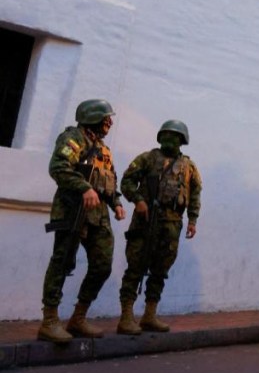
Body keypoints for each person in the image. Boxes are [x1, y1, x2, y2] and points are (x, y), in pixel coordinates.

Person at [38, 99, 126, 343]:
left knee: (102, 265)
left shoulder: (104, 149)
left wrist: (117, 202)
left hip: (98, 217)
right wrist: (83, 187)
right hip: (72, 212)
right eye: (106, 117)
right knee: (62, 262)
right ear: (93, 116)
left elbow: (110, 182)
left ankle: (78, 317)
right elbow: (58, 166)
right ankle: (50, 321)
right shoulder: (73, 138)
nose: (109, 122)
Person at [116, 120, 202, 334]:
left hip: (172, 223)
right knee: (136, 266)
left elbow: (195, 194)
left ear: (182, 141)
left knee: (160, 270)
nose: (170, 140)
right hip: (145, 220)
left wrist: (192, 219)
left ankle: (149, 315)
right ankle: (126, 316)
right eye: (166, 135)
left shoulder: (189, 167)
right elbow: (126, 181)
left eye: (175, 136)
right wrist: (138, 200)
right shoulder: (147, 158)